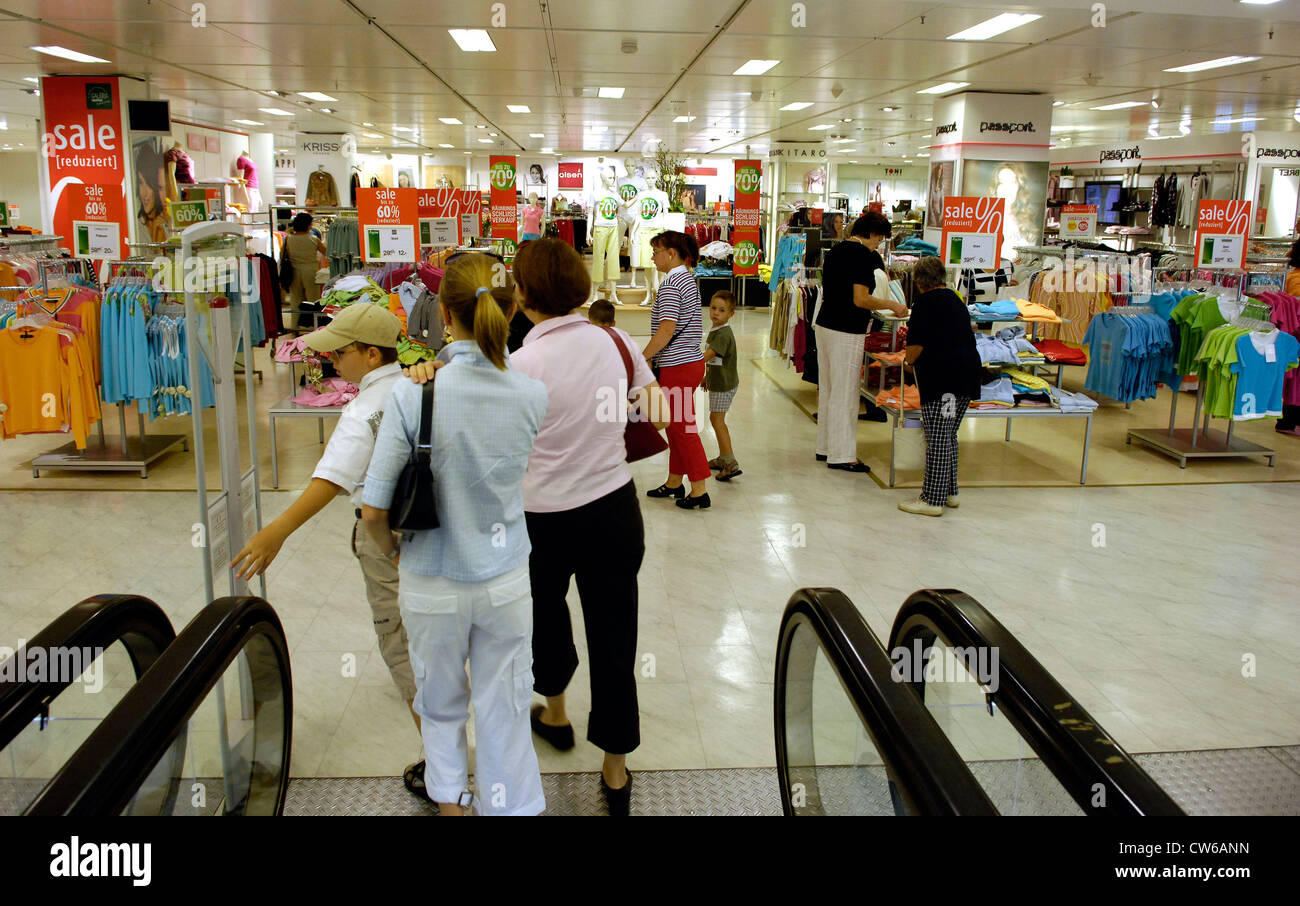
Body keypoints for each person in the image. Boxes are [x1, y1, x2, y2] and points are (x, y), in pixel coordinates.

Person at [408, 238, 669, 815]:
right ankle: (616, 769)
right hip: (612, 511)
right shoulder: (616, 341)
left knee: (542, 618)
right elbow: (655, 409)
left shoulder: (519, 365)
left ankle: (554, 710)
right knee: (615, 631)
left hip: (537, 520)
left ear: (521, 295)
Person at [361, 253, 549, 816]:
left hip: (430, 578)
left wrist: (396, 554)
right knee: (506, 709)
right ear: (513, 310)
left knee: (440, 707)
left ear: (444, 313)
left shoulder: (411, 394)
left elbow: (373, 510)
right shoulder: (532, 394)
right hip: (506, 580)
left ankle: (450, 806)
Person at [229, 303, 428, 789]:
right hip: (432, 527)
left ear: (370, 353)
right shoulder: (421, 386)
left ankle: (441, 761)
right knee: (431, 632)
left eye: (341, 352)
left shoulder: (364, 410)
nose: (332, 361)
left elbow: (331, 480)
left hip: (386, 533)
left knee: (399, 640)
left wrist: (276, 531)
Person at [815, 211, 909, 472]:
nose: (879, 244)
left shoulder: (836, 251)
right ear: (872, 234)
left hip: (824, 324)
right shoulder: (862, 256)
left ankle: (825, 447)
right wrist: (892, 304)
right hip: (846, 329)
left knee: (829, 389)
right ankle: (842, 455)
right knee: (845, 393)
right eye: (880, 238)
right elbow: (861, 299)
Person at [899, 256, 981, 516]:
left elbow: (916, 344)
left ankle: (932, 499)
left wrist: (907, 361)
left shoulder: (925, 302)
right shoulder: (955, 299)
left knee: (937, 437)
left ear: (919, 282)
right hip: (966, 375)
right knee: (948, 435)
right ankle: (949, 491)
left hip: (945, 382)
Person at [644, 229, 711, 509]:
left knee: (683, 428)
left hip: (678, 364)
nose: (653, 257)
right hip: (687, 361)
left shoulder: (672, 284)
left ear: (671, 254)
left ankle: (699, 489)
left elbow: (667, 327)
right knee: (674, 426)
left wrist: (644, 356)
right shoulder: (686, 278)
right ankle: (674, 481)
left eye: (656, 252)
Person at [702, 290, 742, 481]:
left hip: (724, 385)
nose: (716, 313)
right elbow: (715, 361)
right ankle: (723, 457)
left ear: (730, 314)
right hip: (719, 381)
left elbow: (710, 355)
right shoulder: (717, 329)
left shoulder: (724, 334)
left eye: (722, 310)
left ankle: (730, 461)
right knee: (715, 419)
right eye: (713, 308)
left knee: (717, 421)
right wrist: (706, 377)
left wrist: (691, 362)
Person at [284, 213, 327, 331]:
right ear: (308, 225)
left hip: (294, 271)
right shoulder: (313, 239)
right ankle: (314, 327)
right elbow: (326, 252)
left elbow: (283, 255)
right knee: (313, 300)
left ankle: (294, 327)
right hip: (311, 271)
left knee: (295, 300)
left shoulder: (288, 239)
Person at [135, 143, 169, 244]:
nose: (144, 193)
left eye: (149, 184)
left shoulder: (166, 221)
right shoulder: (136, 226)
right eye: (141, 183)